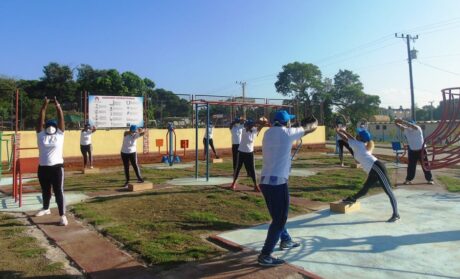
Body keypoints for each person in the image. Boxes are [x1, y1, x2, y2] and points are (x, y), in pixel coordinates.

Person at [257, 110, 318, 267]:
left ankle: (285, 240)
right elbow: (312, 127)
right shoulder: (288, 133)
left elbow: (286, 134)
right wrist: (312, 122)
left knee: (277, 216)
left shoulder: (268, 133)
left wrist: (297, 126)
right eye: (289, 121)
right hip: (278, 182)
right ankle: (265, 254)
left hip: (265, 181)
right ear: (286, 122)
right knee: (280, 219)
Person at [338, 128, 400, 223]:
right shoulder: (360, 144)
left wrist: (339, 131)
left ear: (360, 137)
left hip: (377, 167)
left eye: (358, 134)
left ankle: (396, 214)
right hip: (373, 169)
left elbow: (345, 138)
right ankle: (353, 199)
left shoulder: (358, 144)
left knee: (388, 191)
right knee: (365, 188)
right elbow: (350, 137)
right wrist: (342, 130)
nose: (356, 134)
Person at [35, 97, 68, 226]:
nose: (50, 127)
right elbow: (40, 119)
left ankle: (62, 215)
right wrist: (44, 105)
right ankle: (46, 208)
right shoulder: (40, 135)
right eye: (47, 125)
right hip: (43, 167)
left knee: (58, 191)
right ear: (44, 127)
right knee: (45, 190)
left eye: (52, 126)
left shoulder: (60, 135)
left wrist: (58, 105)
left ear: (56, 127)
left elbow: (61, 119)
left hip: (57, 168)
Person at [230, 118, 266, 191]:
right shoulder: (244, 131)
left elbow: (260, 127)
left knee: (252, 169)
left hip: (250, 152)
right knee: (238, 168)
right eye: (250, 125)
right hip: (241, 152)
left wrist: (263, 123)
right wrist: (256, 122)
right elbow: (250, 127)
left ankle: (255, 185)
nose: (252, 126)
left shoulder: (254, 130)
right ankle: (233, 183)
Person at [394, 119, 434, 185]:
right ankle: (408, 179)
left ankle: (429, 179)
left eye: (410, 124)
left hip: (421, 150)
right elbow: (399, 126)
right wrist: (396, 122)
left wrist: (403, 121)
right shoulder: (406, 130)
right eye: (408, 124)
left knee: (425, 165)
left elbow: (412, 126)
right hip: (412, 150)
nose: (409, 125)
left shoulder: (417, 128)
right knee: (411, 166)